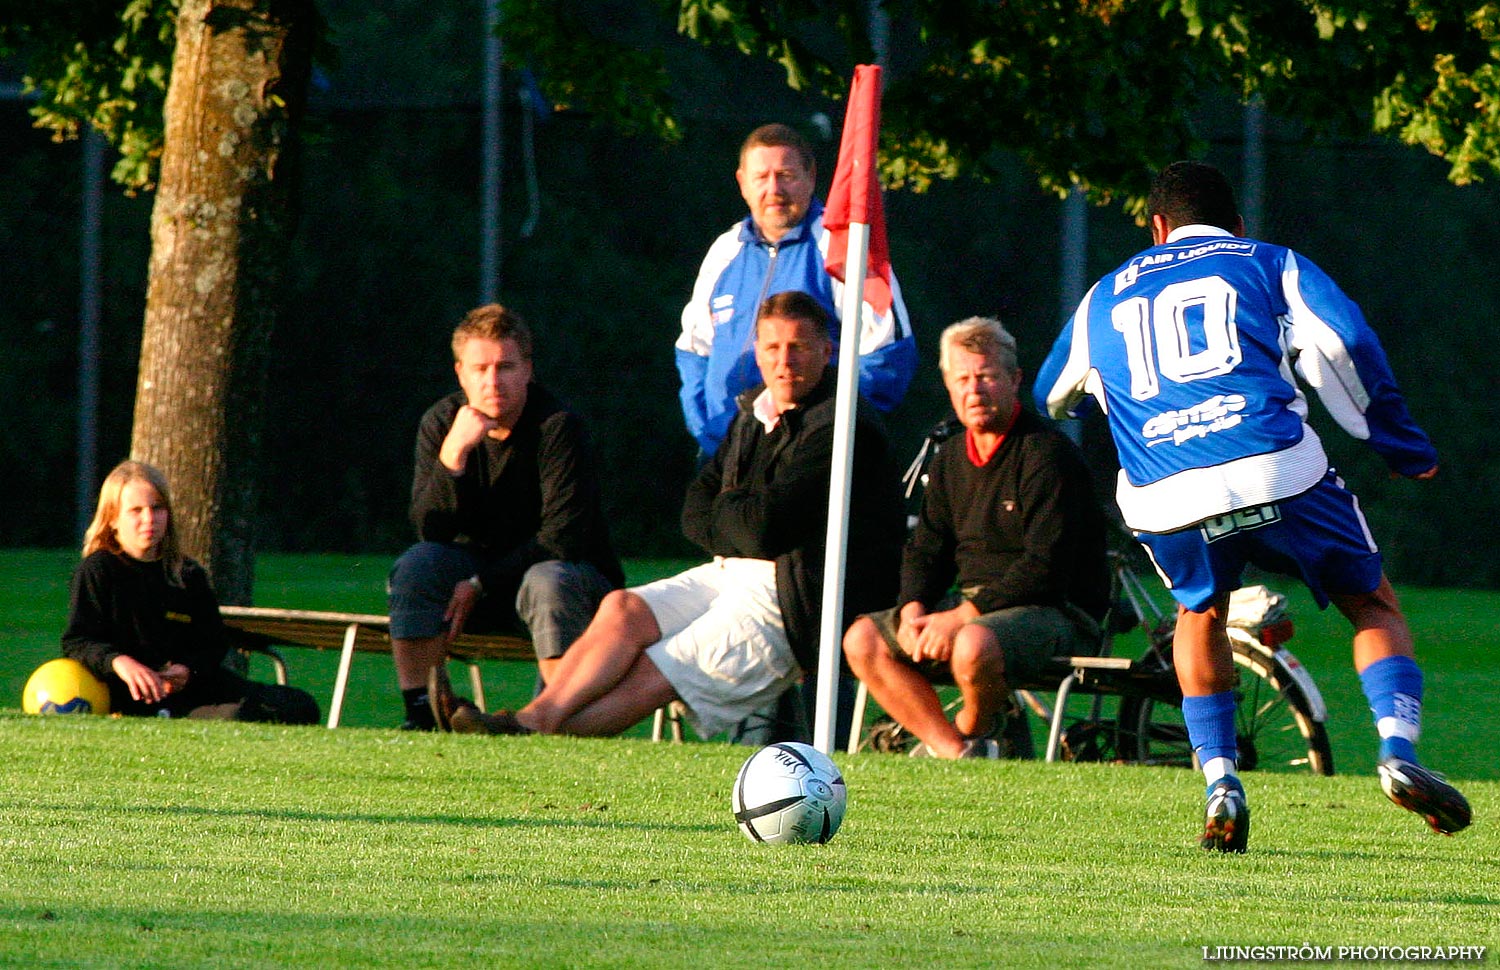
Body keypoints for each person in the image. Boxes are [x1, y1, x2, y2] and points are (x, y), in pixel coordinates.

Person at [1036, 160, 1471, 851]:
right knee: (1373, 602)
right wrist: (1396, 441)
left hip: (1168, 493)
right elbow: (1346, 339)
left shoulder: (1102, 296)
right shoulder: (1270, 262)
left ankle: (1220, 782)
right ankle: (1397, 750)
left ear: (1156, 228)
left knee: (1197, 612)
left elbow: (1050, 392)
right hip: (1277, 469)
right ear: (1236, 224)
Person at [439, 290, 905, 739]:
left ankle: (528, 730)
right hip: (730, 571)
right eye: (773, 347)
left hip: (796, 598)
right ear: (757, 352)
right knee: (623, 609)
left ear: (827, 350)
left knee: (658, 667)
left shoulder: (843, 426)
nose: (785, 361)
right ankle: (536, 717)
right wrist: (737, 515)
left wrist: (731, 512)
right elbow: (694, 512)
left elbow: (765, 529)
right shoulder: (752, 413)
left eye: (799, 347)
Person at [843, 317, 1110, 759]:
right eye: (962, 378)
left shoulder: (1047, 454)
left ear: (1014, 380)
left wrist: (960, 617)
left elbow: (1046, 566)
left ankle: (969, 731)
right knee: (861, 640)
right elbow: (927, 550)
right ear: (948, 385)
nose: (975, 390)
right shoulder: (949, 459)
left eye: (986, 376)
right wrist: (913, 610)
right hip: (974, 609)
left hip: (1056, 612)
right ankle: (954, 752)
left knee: (972, 645)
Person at [389, 303, 624, 730]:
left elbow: (562, 537)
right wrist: (453, 457)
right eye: (480, 369)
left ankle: (552, 720)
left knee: (548, 579)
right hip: (476, 578)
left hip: (569, 582)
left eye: (506, 366)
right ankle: (421, 713)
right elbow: (430, 530)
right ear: (460, 372)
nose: (493, 381)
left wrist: (480, 584)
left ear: (528, 370)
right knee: (417, 566)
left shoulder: (559, 427)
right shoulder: (442, 422)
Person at [675, 122, 917, 457]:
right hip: (724, 457)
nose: (773, 189)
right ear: (742, 183)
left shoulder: (841, 248)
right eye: (761, 177)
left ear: (811, 177)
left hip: (808, 458)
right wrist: (708, 431)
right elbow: (694, 351)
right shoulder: (724, 251)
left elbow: (886, 357)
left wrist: (817, 432)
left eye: (786, 175)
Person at [61, 460, 320, 723]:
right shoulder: (98, 570)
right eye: (136, 510)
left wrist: (187, 670)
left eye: (157, 508)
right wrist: (120, 663)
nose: (148, 519)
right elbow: (78, 642)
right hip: (136, 697)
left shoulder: (186, 573)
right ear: (113, 518)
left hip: (194, 688)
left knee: (300, 705)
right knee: (236, 717)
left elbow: (212, 643)